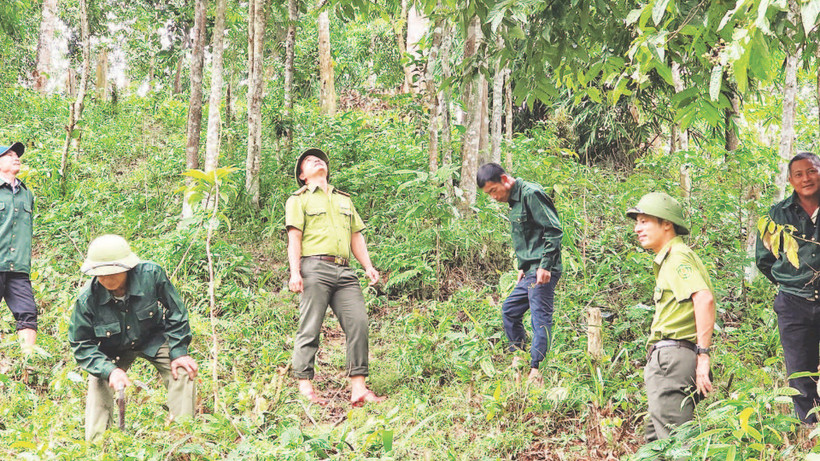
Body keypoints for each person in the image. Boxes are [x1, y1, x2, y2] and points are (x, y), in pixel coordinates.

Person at [68, 234, 197, 441]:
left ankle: (182, 439)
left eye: (112, 273)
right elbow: (81, 344)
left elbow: (176, 312)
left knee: (182, 370)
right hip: (112, 349)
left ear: (127, 268)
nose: (106, 279)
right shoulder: (87, 299)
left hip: (153, 339)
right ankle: (97, 445)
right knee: (98, 381)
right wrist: (109, 371)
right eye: (100, 274)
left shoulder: (151, 275)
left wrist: (179, 351)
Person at [285, 148, 385, 406]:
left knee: (358, 324)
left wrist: (368, 266)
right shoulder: (298, 200)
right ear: (302, 175)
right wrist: (295, 272)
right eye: (308, 160)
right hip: (314, 268)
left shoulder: (344, 200)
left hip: (345, 271)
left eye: (320, 159)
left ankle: (359, 388)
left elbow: (356, 236)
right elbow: (294, 238)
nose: (316, 160)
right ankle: (305, 386)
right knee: (310, 327)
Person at [626, 192, 715, 442]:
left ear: (667, 223)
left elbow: (704, 299)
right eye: (637, 222)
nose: (637, 228)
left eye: (644, 221)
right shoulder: (672, 258)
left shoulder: (677, 257)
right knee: (655, 445)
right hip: (671, 358)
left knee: (674, 444)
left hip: (673, 360)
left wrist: (703, 355)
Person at [476, 163, 562, 385]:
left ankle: (536, 370)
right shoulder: (513, 201)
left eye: (494, 191)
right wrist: (523, 266)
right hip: (530, 270)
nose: (493, 197)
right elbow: (528, 235)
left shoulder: (531, 194)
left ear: (505, 180)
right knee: (510, 310)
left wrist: (545, 265)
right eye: (489, 194)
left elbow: (553, 230)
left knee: (539, 319)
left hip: (542, 270)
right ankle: (520, 357)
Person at [756, 152, 820, 424]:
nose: (806, 178)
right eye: (799, 174)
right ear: (791, 180)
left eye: (812, 170)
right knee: (799, 369)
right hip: (793, 303)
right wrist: (791, 283)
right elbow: (764, 259)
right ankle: (809, 428)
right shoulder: (776, 215)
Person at [0, 142, 37, 351]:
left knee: (28, 313)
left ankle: (28, 362)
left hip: (18, 268)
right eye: (9, 154)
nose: (16, 157)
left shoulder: (26, 194)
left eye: (17, 155)